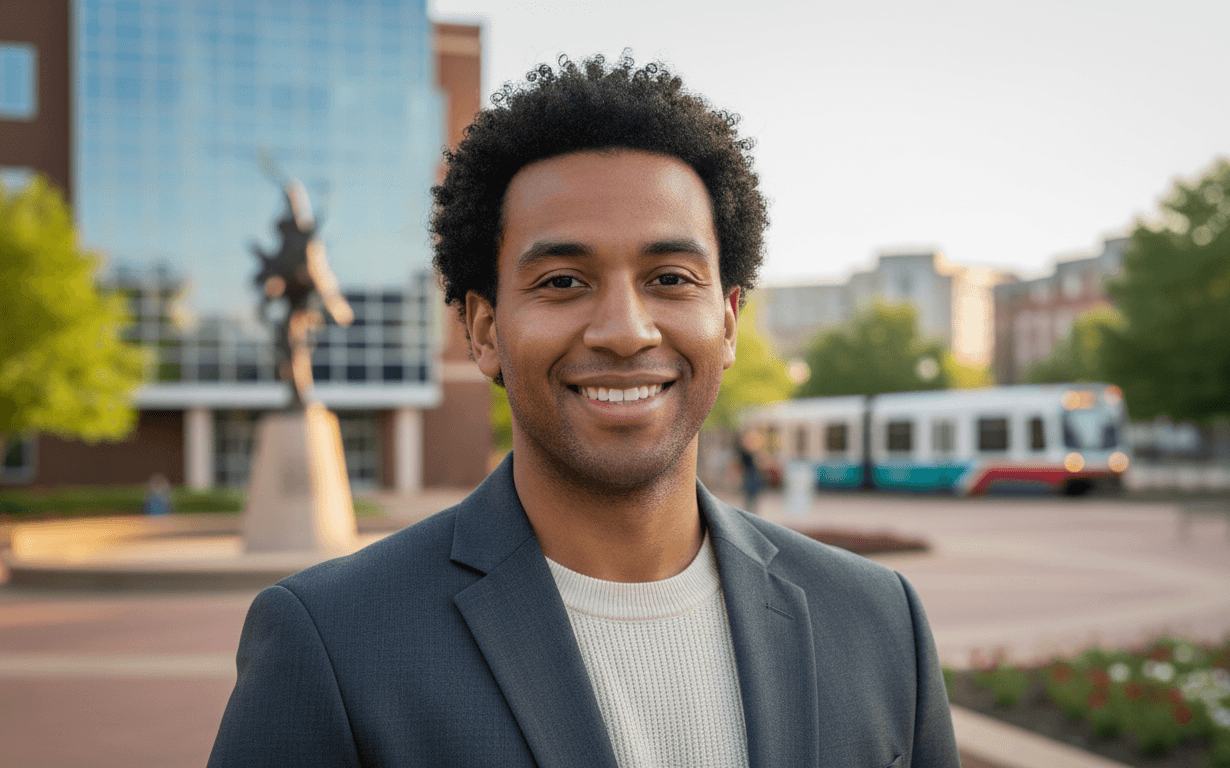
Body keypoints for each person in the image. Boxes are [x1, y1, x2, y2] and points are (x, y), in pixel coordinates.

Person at [209, 53, 960, 768]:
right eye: (564, 282)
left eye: (669, 276)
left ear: (728, 323)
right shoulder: (334, 642)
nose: (626, 330)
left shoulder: (879, 620)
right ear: (482, 330)